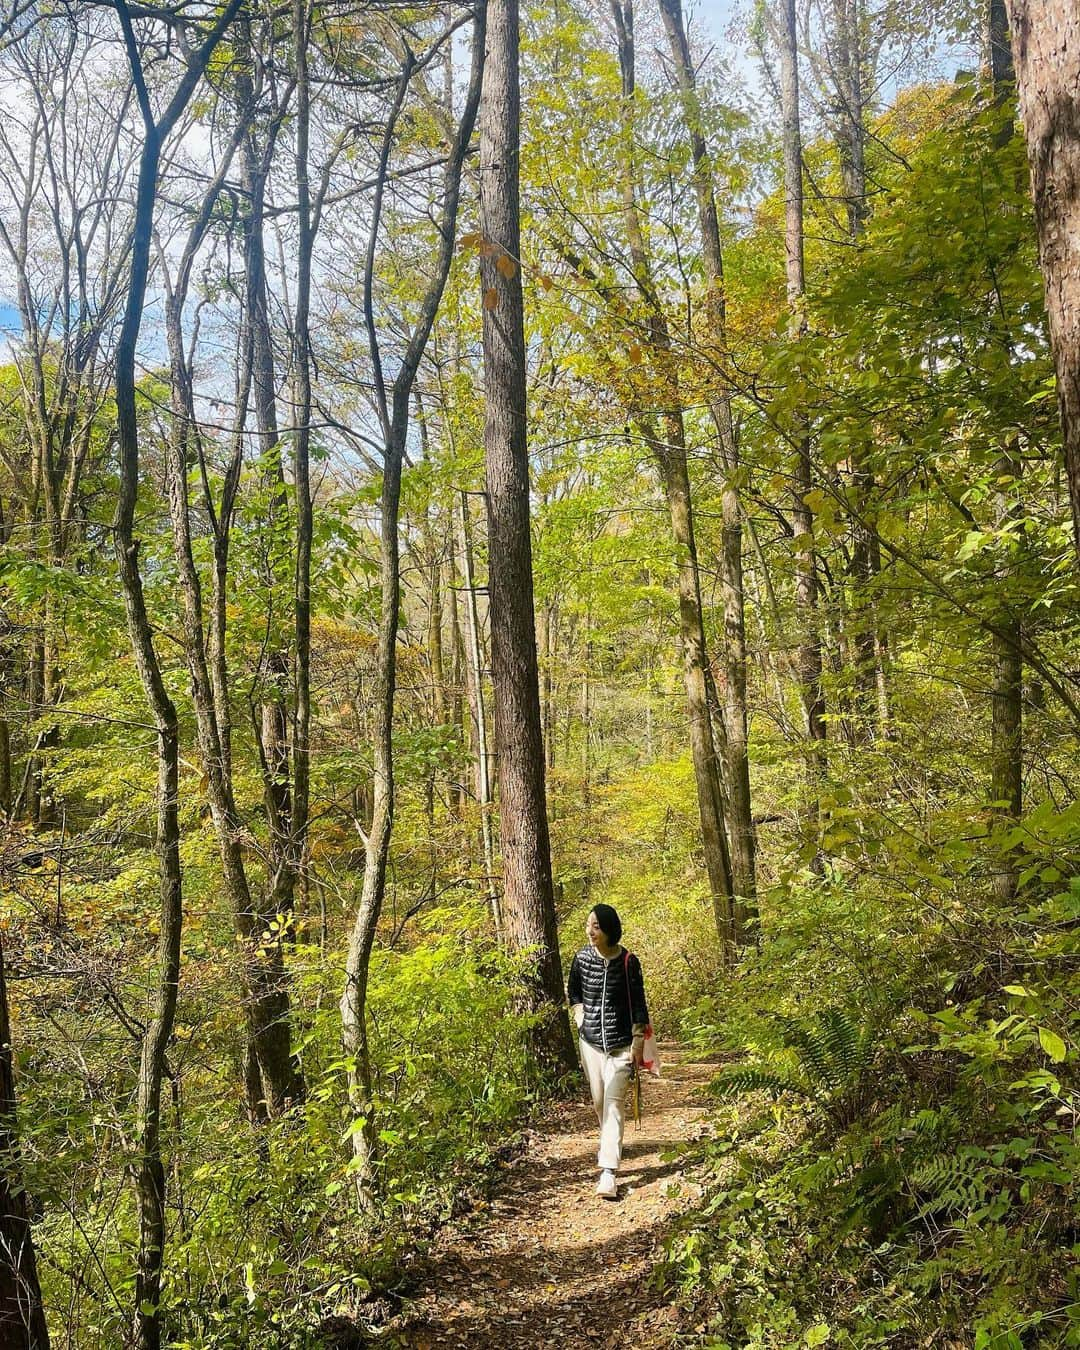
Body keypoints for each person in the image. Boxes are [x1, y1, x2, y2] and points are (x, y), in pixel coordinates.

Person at [566, 904, 650, 1200]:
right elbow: (573, 990)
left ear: (609, 929)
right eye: (588, 925)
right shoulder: (581, 958)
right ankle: (611, 1143)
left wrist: (638, 1041)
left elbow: (639, 1003)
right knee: (601, 1103)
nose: (590, 931)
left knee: (614, 1104)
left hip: (622, 1046)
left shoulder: (628, 962)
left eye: (596, 927)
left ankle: (608, 1173)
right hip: (589, 1043)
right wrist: (579, 1014)